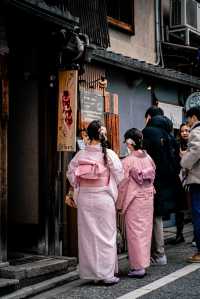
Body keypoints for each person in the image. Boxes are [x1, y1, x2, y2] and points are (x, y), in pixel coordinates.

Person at [66, 120, 124, 284]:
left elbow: (71, 174)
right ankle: (106, 274)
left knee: (87, 236)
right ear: (102, 135)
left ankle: (92, 274)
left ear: (89, 135)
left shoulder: (81, 154)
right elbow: (119, 175)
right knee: (106, 235)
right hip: (103, 197)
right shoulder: (109, 154)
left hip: (85, 197)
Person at [142, 106, 180, 266]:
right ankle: (158, 253)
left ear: (149, 117)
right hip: (168, 180)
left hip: (151, 181)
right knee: (157, 216)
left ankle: (157, 253)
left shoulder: (148, 132)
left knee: (151, 217)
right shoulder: (169, 134)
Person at [117, 128, 155, 278]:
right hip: (148, 198)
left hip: (134, 200)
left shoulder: (127, 161)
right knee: (145, 231)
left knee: (135, 233)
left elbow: (122, 185)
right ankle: (143, 263)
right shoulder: (149, 158)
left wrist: (119, 204)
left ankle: (138, 267)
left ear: (129, 143)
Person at [181, 107, 200, 262]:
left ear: (194, 117)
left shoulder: (196, 131)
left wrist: (184, 162)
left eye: (188, 119)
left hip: (198, 179)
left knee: (198, 214)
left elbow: (196, 149)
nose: (188, 122)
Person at [169, 123, 189, 245]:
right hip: (180, 179)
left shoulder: (195, 143)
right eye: (182, 131)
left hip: (193, 178)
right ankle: (179, 234)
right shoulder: (176, 145)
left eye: (187, 130)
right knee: (179, 208)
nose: (184, 133)